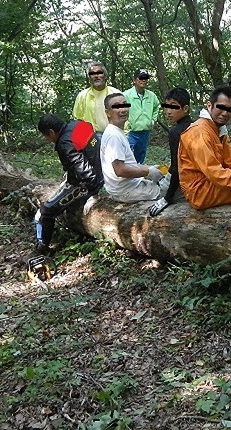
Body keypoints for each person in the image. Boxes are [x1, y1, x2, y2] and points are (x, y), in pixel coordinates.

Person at [30, 114, 103, 279]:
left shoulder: (64, 143)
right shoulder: (77, 124)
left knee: (46, 210)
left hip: (91, 182)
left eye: (46, 136)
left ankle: (42, 247)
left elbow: (86, 173)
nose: (47, 140)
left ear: (51, 132)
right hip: (103, 171)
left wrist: (86, 191)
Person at [177, 85, 231, 210]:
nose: (225, 113)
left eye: (230, 110)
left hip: (214, 182)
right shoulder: (199, 132)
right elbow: (215, 174)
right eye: (221, 107)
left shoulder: (219, 130)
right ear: (209, 105)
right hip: (200, 191)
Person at [100, 92, 165, 202]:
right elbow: (120, 170)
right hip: (126, 190)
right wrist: (148, 172)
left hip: (128, 185)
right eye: (117, 106)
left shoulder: (116, 131)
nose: (123, 109)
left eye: (125, 105)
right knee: (170, 192)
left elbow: (128, 164)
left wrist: (151, 168)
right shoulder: (113, 136)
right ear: (108, 113)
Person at [148, 87, 194, 217]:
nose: (168, 111)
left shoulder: (176, 132)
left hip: (184, 184)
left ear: (185, 109)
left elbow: (177, 168)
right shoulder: (196, 125)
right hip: (196, 181)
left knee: (154, 188)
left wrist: (167, 198)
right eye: (166, 107)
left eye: (173, 107)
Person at [123, 68, 161, 164]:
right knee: (128, 155)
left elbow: (157, 107)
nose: (144, 80)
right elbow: (121, 110)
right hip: (131, 131)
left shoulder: (151, 96)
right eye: (141, 78)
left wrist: (153, 120)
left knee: (141, 155)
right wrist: (126, 124)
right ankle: (128, 175)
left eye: (146, 78)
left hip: (145, 131)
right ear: (134, 80)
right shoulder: (126, 95)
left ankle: (139, 176)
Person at [72, 62, 120, 134]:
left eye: (99, 73)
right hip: (90, 136)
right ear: (89, 78)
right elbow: (77, 120)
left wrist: (124, 134)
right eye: (92, 74)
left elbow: (124, 116)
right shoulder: (82, 96)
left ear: (105, 76)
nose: (96, 76)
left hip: (113, 134)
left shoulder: (116, 94)